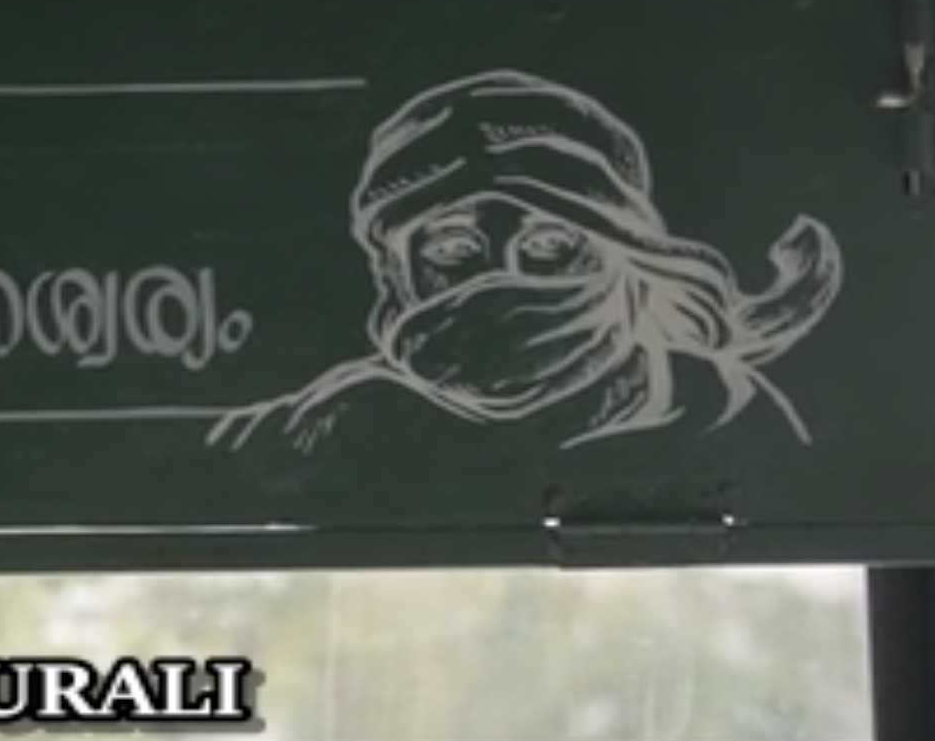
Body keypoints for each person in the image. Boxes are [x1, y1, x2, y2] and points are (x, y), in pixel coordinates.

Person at [207, 71, 842, 458]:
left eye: (548, 244)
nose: (502, 275)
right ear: (398, 272)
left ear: (626, 255)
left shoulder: (722, 410)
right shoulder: (318, 430)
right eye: (454, 251)